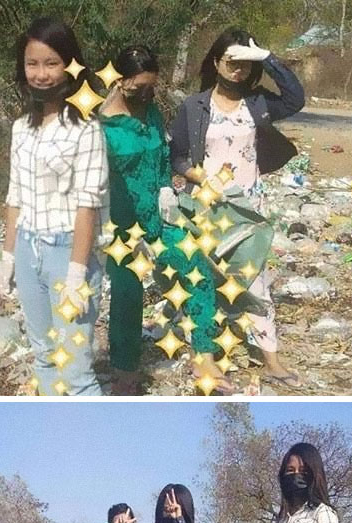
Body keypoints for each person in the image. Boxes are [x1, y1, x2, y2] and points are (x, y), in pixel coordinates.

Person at [169, 28, 305, 389]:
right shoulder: (194, 106)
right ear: (216, 63)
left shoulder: (257, 104)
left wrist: (269, 59)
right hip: (206, 207)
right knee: (205, 281)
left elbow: (295, 100)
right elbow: (178, 154)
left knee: (256, 281)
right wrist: (195, 176)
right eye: (231, 62)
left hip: (248, 210)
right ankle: (207, 359)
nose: (238, 71)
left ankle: (271, 360)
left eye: (245, 64)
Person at [100, 46, 233, 395]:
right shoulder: (101, 127)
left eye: (151, 86)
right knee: (127, 291)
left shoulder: (153, 114)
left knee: (196, 267)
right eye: (139, 86)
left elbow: (162, 162)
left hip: (158, 219)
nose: (146, 93)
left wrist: (167, 193)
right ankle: (124, 369)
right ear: (120, 80)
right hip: (119, 225)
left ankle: (203, 355)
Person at [0, 17, 109, 395]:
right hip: (28, 248)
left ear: (70, 66)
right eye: (33, 64)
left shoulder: (86, 129)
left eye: (51, 63)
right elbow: (16, 195)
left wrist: (77, 275)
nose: (41, 74)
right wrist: (7, 255)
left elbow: (87, 205)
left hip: (67, 253)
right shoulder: (21, 128)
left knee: (76, 370)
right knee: (44, 356)